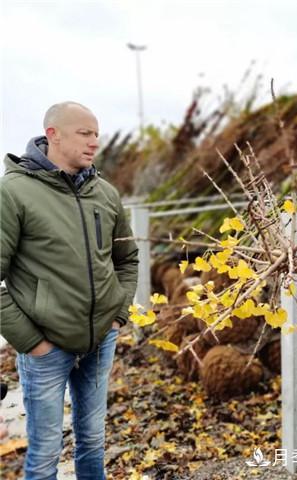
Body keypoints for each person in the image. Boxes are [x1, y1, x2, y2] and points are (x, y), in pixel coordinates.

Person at [0, 102, 139, 479]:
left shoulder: (105, 193)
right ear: (53, 135)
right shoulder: (13, 192)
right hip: (46, 347)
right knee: (45, 453)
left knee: (93, 439)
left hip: (100, 340)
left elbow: (127, 259)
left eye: (97, 133)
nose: (95, 142)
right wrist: (31, 341)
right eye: (85, 133)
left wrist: (118, 314)